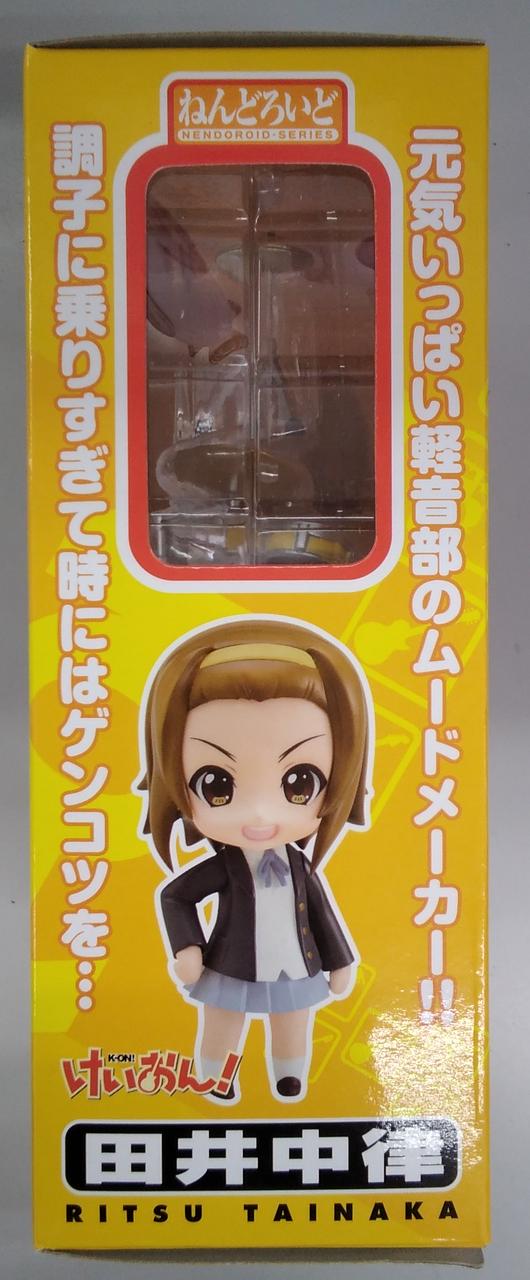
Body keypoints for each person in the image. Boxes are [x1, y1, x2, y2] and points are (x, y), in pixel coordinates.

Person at [137, 617, 372, 1102]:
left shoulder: (300, 867)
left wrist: (340, 960)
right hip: (231, 963)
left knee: (294, 1021)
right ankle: (215, 1074)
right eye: (216, 785)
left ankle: (289, 1073)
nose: (261, 813)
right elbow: (176, 896)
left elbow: (322, 914)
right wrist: (187, 948)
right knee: (223, 1019)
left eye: (300, 782)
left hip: (296, 964)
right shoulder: (225, 867)